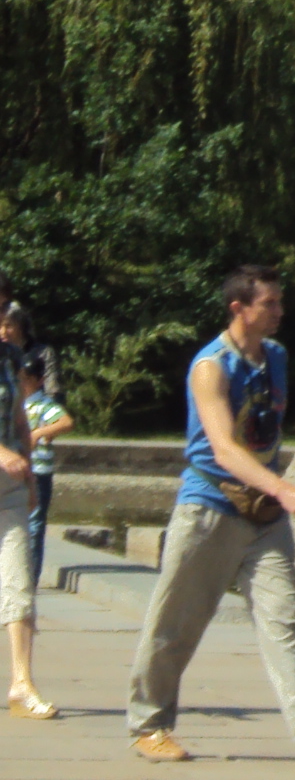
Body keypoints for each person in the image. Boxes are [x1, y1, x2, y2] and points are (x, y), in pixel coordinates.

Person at [126, 265, 295, 767]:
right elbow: (222, 449)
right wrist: (283, 488)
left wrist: (273, 493)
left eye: (280, 303)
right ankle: (149, 726)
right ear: (238, 308)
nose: (280, 312)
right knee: (175, 625)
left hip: (262, 518)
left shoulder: (277, 358)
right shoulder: (211, 367)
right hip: (209, 510)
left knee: (287, 620)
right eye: (270, 304)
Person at [0, 296, 50, 725]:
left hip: (9, 488)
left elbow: (19, 420)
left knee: (19, 581)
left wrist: (29, 474)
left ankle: (21, 681)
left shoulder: (11, 356)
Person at [5, 311, 69, 584]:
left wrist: (40, 431)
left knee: (33, 524)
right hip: (10, 461)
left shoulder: (42, 400)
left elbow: (64, 419)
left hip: (33, 467)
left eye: (10, 324)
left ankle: (28, 577)